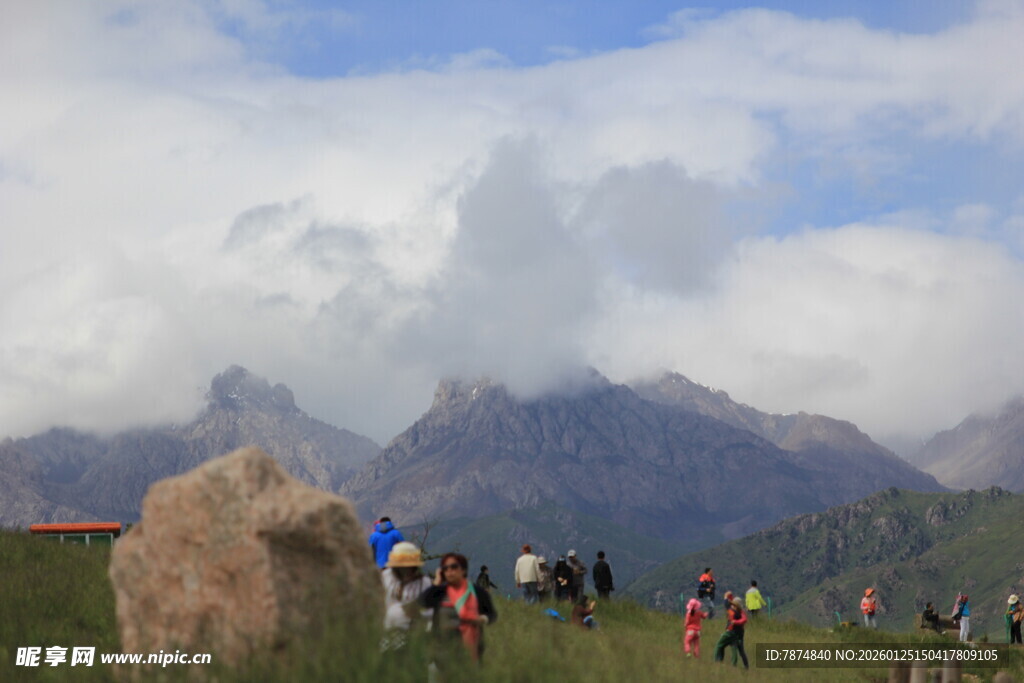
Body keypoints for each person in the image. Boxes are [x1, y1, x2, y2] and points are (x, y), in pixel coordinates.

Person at [418, 552, 498, 665]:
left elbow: (491, 614)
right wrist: (436, 582)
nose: (450, 571)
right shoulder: (440, 592)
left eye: (454, 567)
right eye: (445, 568)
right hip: (441, 652)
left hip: (470, 650)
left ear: (463, 570)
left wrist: (482, 619)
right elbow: (423, 602)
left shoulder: (476, 592)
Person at [381, 542, 433, 649]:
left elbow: (430, 611)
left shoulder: (424, 583)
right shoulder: (384, 578)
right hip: (387, 635)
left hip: (415, 637)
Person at [713, 598, 749, 669]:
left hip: (731, 632)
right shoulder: (739, 612)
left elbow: (742, 619)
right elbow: (744, 619)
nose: (731, 605)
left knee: (719, 645)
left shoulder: (733, 612)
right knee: (734, 648)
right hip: (738, 633)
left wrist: (735, 622)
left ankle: (717, 661)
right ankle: (736, 665)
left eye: (733, 604)